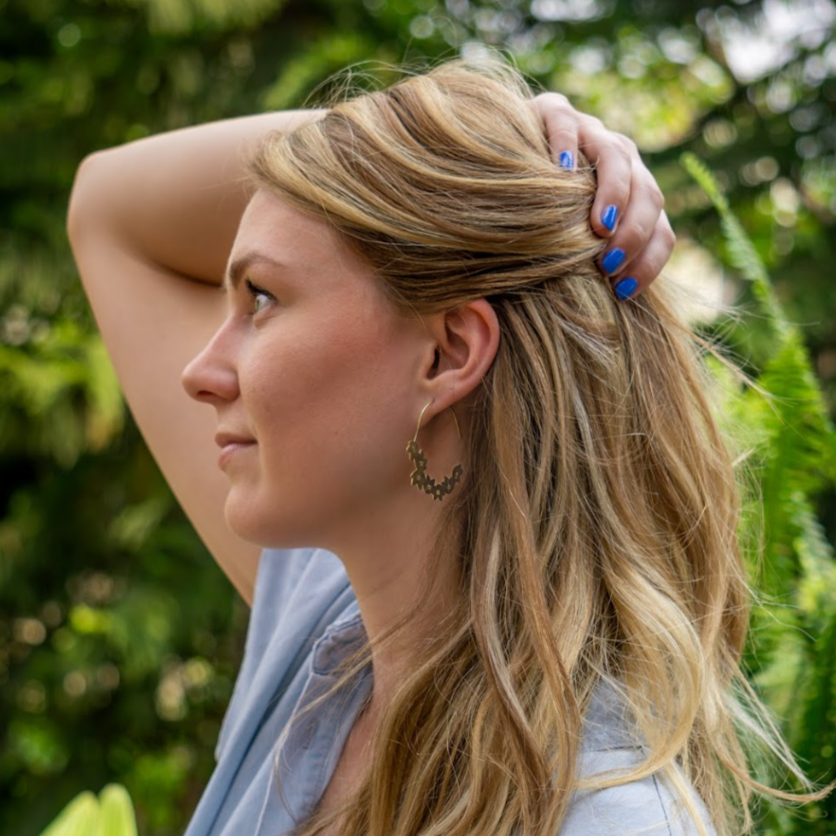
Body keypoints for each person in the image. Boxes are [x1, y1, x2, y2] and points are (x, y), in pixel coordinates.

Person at [66, 58, 803, 836]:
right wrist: (456, 145)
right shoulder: (332, 629)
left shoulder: (605, 819)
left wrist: (439, 158)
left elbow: (108, 212)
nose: (201, 372)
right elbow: (108, 205)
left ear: (448, 354)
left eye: (262, 299)